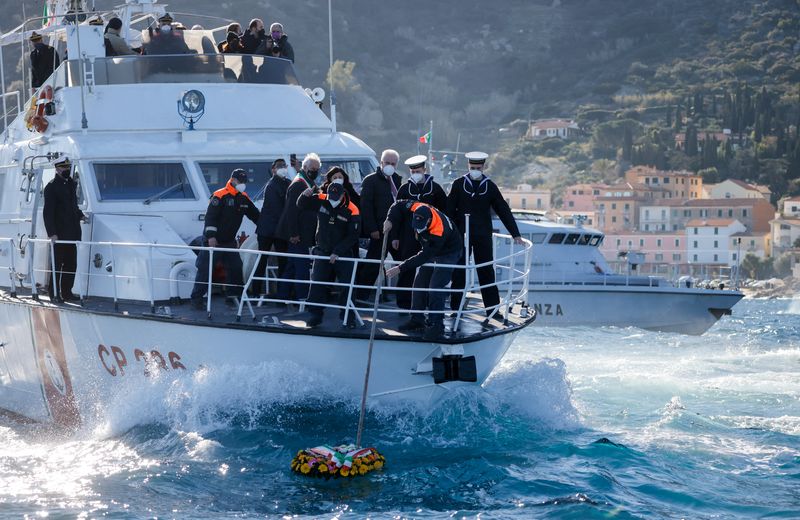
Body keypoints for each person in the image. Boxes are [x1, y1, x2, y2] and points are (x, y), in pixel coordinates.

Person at [447, 151, 524, 320]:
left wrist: (515, 234)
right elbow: (449, 210)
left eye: (478, 167)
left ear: (483, 167)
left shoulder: (490, 186)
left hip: (482, 235)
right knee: (459, 271)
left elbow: (503, 210)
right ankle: (456, 308)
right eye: (472, 167)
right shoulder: (459, 184)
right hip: (462, 235)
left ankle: (492, 309)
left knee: (487, 271)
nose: (475, 170)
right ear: (468, 166)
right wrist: (449, 234)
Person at [384, 202, 463, 340]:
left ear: (429, 220)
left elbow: (424, 256)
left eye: (421, 226)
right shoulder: (416, 206)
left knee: (435, 287)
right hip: (431, 249)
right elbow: (397, 205)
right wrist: (389, 219)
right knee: (419, 283)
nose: (418, 229)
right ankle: (417, 319)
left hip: (448, 252)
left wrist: (400, 268)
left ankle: (436, 325)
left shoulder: (439, 230)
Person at [190, 169, 259, 308]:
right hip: (213, 241)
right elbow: (210, 218)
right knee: (205, 269)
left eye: (244, 182)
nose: (243, 184)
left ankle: (233, 297)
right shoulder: (219, 195)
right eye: (240, 181)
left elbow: (256, 216)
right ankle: (196, 299)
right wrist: (211, 237)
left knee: (236, 267)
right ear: (233, 180)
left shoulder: (243, 197)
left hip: (229, 242)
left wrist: (266, 229)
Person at [297, 182, 361, 327]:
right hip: (322, 250)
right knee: (317, 284)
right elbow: (301, 205)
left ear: (342, 195)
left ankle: (348, 317)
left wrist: (337, 252)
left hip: (342, 253)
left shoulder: (352, 209)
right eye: (330, 196)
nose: (332, 199)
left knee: (347, 286)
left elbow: (353, 236)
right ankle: (315, 315)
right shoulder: (321, 198)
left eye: (335, 197)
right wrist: (304, 195)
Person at [391, 155, 447, 310]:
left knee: (428, 268)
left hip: (429, 235)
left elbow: (445, 212)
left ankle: (426, 301)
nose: (416, 173)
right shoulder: (404, 189)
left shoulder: (435, 189)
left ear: (424, 170)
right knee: (406, 267)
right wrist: (395, 236)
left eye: (418, 170)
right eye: (413, 171)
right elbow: (396, 214)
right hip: (407, 234)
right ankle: (403, 301)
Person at [357, 149, 402, 299]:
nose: (390, 166)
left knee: (403, 262)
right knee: (373, 264)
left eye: (393, 163)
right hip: (379, 231)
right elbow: (366, 207)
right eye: (387, 163)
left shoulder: (397, 180)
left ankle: (405, 297)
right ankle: (361, 296)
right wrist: (372, 229)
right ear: (381, 162)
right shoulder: (370, 181)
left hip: (395, 231)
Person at [275, 153, 321, 301]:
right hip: (298, 234)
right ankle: (303, 297)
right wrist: (293, 233)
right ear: (305, 168)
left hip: (303, 233)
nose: (315, 171)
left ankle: (282, 295)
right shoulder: (298, 184)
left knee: (292, 266)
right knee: (301, 266)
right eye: (312, 168)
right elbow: (291, 211)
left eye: (317, 169)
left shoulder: (308, 183)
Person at [43, 157, 84, 301]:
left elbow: (73, 206)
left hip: (72, 232)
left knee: (71, 264)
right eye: (64, 168)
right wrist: (52, 233)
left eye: (68, 167)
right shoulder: (51, 187)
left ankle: (67, 292)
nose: (67, 170)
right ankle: (54, 294)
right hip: (59, 234)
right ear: (58, 168)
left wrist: (81, 216)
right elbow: (48, 213)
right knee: (57, 265)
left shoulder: (71, 184)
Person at [254, 158, 291, 295]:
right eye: (279, 166)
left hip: (280, 231)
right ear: (273, 169)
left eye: (284, 165)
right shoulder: (271, 186)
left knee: (283, 261)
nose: (282, 168)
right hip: (267, 230)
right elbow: (277, 210)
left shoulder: (288, 183)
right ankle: (255, 292)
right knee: (262, 260)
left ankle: (282, 293)